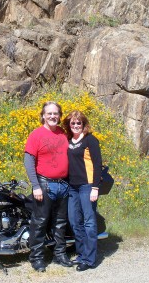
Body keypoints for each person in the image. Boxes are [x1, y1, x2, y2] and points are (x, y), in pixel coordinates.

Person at [24, 101, 73, 272]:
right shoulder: (36, 134)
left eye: (56, 113)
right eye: (49, 113)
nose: (53, 116)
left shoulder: (63, 134)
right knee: (40, 222)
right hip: (44, 185)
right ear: (43, 116)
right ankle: (36, 258)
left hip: (63, 185)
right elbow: (29, 161)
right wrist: (35, 186)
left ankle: (60, 254)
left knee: (60, 223)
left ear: (59, 116)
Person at [62, 110, 102, 271]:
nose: (76, 125)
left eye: (79, 123)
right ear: (69, 125)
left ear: (84, 124)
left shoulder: (90, 140)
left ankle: (89, 259)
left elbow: (97, 164)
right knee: (74, 221)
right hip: (72, 187)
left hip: (87, 186)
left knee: (89, 222)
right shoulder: (68, 140)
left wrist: (95, 188)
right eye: (73, 123)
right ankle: (81, 253)